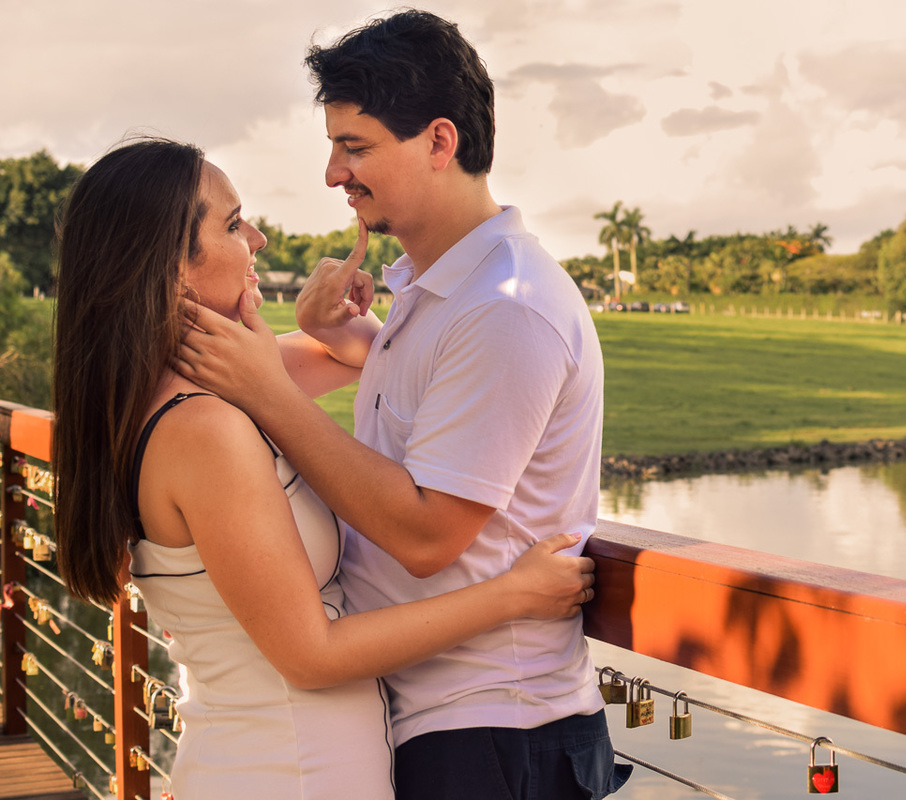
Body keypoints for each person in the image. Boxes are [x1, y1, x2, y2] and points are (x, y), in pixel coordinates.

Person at [175, 9, 631, 799]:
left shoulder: (507, 305)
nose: (331, 174)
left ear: (440, 142)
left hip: (495, 728)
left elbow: (427, 533)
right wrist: (350, 339)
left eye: (355, 147)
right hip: (434, 719)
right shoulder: (439, 292)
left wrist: (268, 393)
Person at [52, 137, 596, 800]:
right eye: (230, 225)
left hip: (272, 757)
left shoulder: (178, 389)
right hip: (289, 770)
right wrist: (516, 594)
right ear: (170, 271)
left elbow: (373, 362)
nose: (256, 237)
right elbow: (313, 656)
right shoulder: (203, 428)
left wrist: (323, 322)